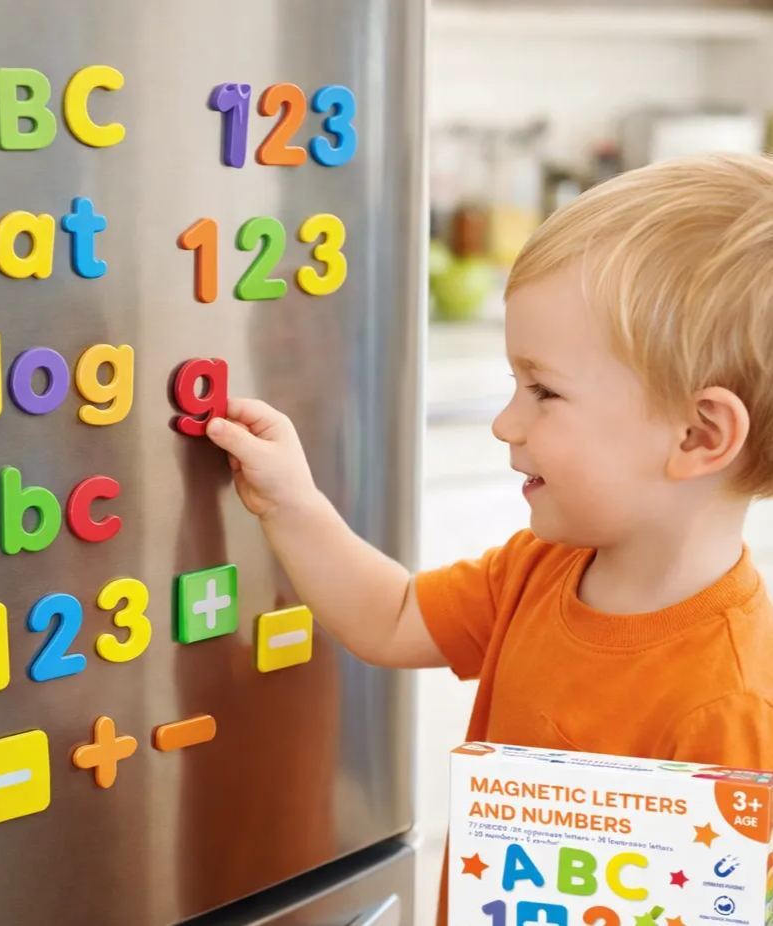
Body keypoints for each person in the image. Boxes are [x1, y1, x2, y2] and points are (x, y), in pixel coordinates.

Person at [204, 152, 773, 925]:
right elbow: (394, 616)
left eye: (543, 390)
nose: (507, 422)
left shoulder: (733, 706)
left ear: (700, 434)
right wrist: (292, 504)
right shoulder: (539, 570)